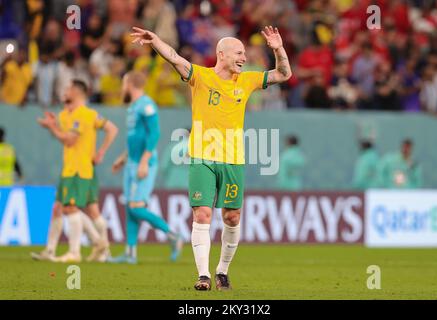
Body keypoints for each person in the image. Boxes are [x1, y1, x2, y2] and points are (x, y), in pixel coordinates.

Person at [130, 25, 292, 290]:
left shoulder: (247, 80)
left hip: (233, 160)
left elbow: (285, 74)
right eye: (238, 53)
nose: (243, 58)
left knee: (231, 217)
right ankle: (203, 275)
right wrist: (157, 41)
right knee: (202, 214)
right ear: (222, 54)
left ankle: (222, 270)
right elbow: (174, 58)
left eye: (244, 54)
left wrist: (278, 49)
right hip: (202, 157)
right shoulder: (201, 77)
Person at [36, 80, 118, 263]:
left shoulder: (84, 114)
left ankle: (76, 252)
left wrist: (101, 152)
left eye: (67, 88)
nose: (64, 91)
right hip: (71, 168)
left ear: (76, 91)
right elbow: (66, 137)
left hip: (79, 170)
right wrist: (53, 124)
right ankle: (99, 245)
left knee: (70, 208)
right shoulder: (66, 114)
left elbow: (70, 140)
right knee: (73, 208)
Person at [107, 71, 183, 264]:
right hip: (131, 162)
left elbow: (154, 134)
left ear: (130, 83)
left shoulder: (147, 104)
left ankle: (173, 235)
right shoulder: (133, 107)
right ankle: (130, 254)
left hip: (144, 162)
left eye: (124, 83)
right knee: (131, 207)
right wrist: (123, 158)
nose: (122, 87)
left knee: (136, 206)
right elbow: (135, 138)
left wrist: (144, 161)